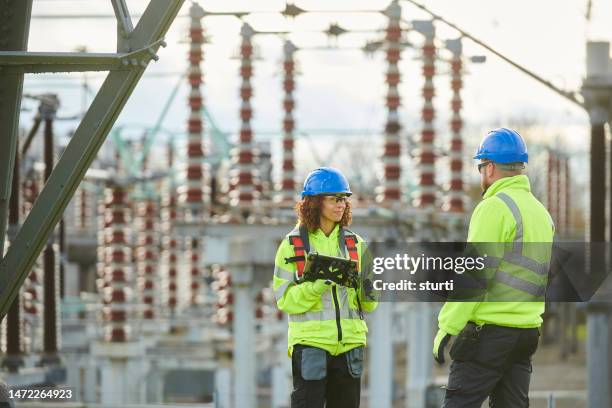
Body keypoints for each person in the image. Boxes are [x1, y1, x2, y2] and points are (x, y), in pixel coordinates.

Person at [432, 128, 555, 407]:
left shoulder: (495, 207)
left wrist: (446, 328)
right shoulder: (540, 213)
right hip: (526, 334)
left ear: (489, 168)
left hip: (488, 336)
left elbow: (473, 276)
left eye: (480, 167)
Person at [273, 167, 377, 408]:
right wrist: (316, 286)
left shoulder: (357, 245)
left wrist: (363, 285)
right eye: (334, 199)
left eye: (344, 199)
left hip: (350, 346)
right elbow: (284, 299)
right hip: (311, 344)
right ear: (315, 202)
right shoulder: (292, 245)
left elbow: (371, 303)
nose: (341, 205)